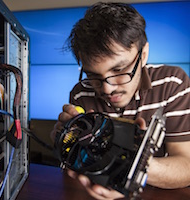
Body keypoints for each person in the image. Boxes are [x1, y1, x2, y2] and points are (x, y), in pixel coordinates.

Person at [51, 2, 190, 199]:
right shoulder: (82, 92)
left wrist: (129, 167)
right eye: (93, 75)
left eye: (119, 70)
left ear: (143, 55)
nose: (107, 88)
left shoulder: (172, 82)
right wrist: (65, 143)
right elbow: (80, 167)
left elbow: (186, 167)